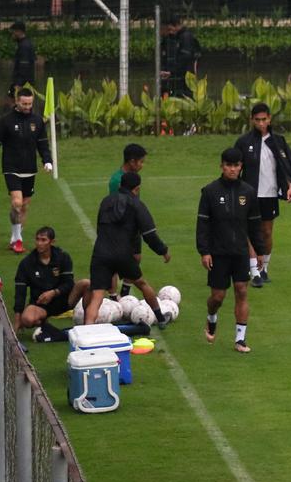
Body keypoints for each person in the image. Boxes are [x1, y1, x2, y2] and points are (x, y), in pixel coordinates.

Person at [197, 149, 268, 353]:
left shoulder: (248, 192)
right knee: (218, 297)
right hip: (218, 252)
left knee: (242, 290)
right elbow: (202, 224)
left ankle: (240, 340)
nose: (232, 169)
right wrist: (204, 251)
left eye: (236, 165)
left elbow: (254, 224)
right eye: (228, 165)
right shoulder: (210, 191)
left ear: (241, 167)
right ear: (222, 166)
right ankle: (211, 317)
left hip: (240, 252)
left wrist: (260, 251)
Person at [85, 172, 172, 327]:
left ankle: (87, 330)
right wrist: (163, 250)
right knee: (142, 283)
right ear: (137, 188)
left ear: (120, 185)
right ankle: (160, 317)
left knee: (97, 294)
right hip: (123, 254)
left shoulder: (106, 201)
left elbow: (99, 227)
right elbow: (149, 235)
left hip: (101, 252)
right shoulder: (137, 204)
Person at [0, 88, 52, 253]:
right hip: (11, 168)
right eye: (24, 103)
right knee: (17, 202)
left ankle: (15, 236)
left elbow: (43, 144)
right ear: (17, 102)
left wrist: (47, 161)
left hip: (30, 169)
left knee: (24, 205)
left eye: (30, 103)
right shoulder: (6, 121)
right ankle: (18, 239)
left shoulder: (37, 121)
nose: (27, 106)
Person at [233, 103, 291, 286]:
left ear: (269, 119)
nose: (261, 123)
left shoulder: (278, 141)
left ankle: (264, 268)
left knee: (266, 232)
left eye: (264, 119)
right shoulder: (244, 142)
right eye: (257, 120)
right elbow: (235, 166)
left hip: (270, 194)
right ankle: (254, 270)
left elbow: (286, 167)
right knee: (247, 231)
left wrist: (290, 186)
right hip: (249, 195)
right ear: (252, 120)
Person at [12, 226, 90, 342]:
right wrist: (16, 323)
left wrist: (53, 293)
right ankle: (44, 324)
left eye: (43, 240)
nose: (39, 243)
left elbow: (69, 283)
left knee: (86, 283)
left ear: (52, 242)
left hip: (64, 299)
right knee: (27, 319)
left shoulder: (63, 257)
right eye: (37, 239)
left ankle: (87, 326)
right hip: (41, 304)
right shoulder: (27, 263)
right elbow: (20, 292)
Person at [108, 143, 148, 299]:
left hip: (133, 228)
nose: (142, 165)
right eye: (141, 162)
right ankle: (112, 296)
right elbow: (115, 206)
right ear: (132, 162)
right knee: (115, 264)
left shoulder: (134, 178)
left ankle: (125, 292)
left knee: (136, 258)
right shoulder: (116, 181)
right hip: (120, 228)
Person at [161, 15, 200, 99]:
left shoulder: (186, 37)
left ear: (176, 26)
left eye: (169, 29)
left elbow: (185, 59)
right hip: (172, 78)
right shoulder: (169, 38)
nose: (169, 32)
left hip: (184, 78)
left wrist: (171, 71)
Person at [9, 21, 36, 95]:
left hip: (22, 84)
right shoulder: (24, 44)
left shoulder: (24, 46)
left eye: (13, 32)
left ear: (19, 32)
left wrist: (18, 84)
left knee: (14, 102)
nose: (12, 35)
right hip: (21, 82)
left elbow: (24, 67)